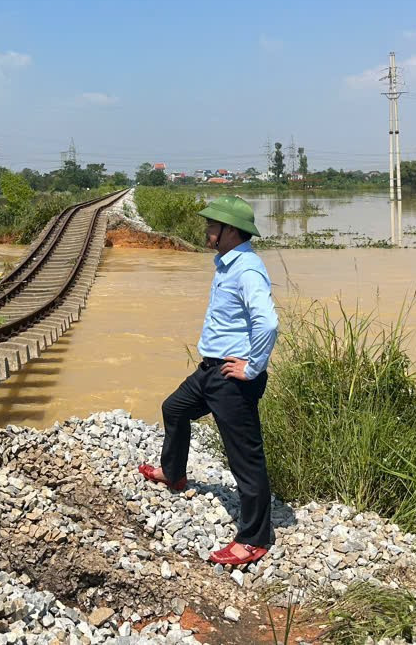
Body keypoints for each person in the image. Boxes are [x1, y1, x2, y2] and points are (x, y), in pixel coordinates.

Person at [138, 195, 279, 567]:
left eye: (212, 226)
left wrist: (252, 368)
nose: (207, 231)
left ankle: (254, 538)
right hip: (211, 370)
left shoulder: (247, 268)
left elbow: (268, 322)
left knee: (244, 457)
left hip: (233, 378)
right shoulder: (226, 263)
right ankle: (174, 472)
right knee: (175, 408)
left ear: (230, 231)